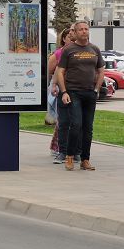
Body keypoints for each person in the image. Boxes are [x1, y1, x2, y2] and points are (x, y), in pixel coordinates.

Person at [54, 21, 104, 171]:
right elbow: (60, 71)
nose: (84, 31)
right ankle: (69, 156)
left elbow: (101, 71)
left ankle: (85, 159)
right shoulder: (68, 50)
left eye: (86, 29)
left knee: (88, 127)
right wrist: (64, 92)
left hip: (90, 93)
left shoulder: (95, 49)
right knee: (76, 124)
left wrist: (96, 89)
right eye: (80, 29)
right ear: (74, 33)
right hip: (73, 92)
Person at [47, 26, 75, 163]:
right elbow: (52, 70)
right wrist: (54, 85)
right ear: (64, 39)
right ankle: (60, 149)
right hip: (61, 90)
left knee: (74, 121)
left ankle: (73, 151)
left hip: (76, 90)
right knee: (63, 122)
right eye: (69, 36)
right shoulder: (59, 54)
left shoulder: (84, 51)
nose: (72, 39)